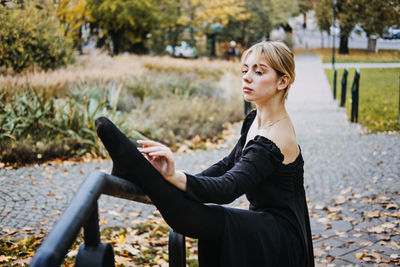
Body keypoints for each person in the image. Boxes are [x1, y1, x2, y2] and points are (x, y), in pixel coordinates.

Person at [95, 41, 314, 267]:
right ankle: (138, 171)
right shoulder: (254, 120)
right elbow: (227, 165)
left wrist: (173, 176)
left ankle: (138, 170)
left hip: (282, 236)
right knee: (201, 211)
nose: (247, 77)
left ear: (282, 81)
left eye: (259, 72)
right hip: (265, 223)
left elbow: (227, 188)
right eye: (245, 70)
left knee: (206, 218)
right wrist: (183, 184)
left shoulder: (275, 136)